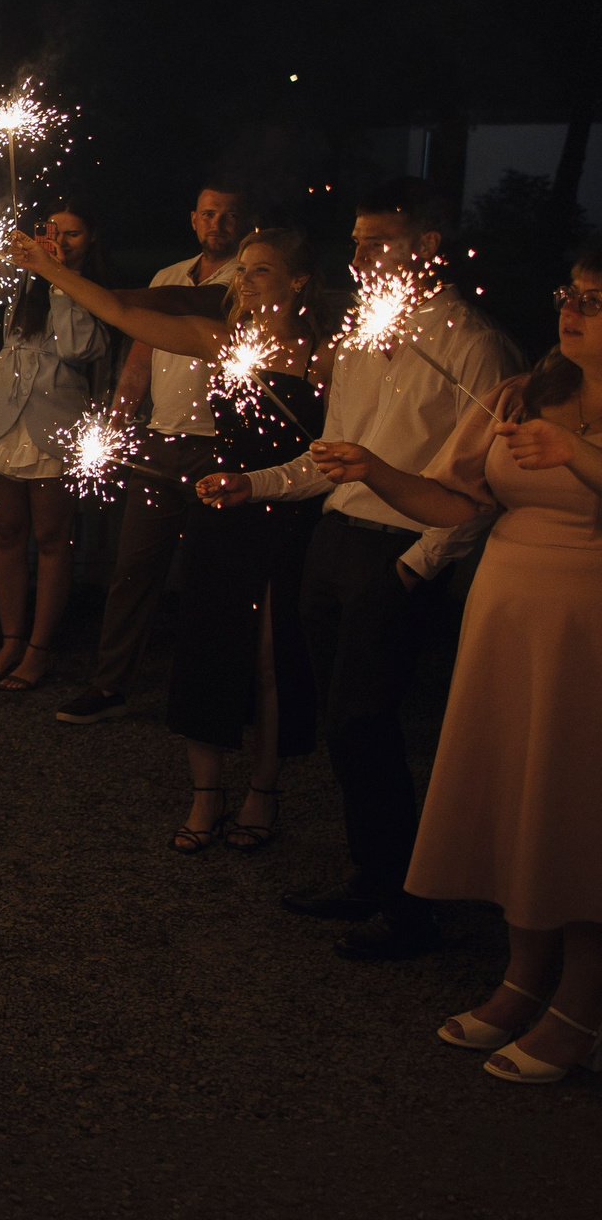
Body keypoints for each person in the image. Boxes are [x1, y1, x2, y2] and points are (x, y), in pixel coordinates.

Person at [199, 178, 517, 961]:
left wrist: (417, 565)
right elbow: (333, 456)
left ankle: (415, 908)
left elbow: (483, 491)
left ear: (429, 247)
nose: (361, 254)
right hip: (337, 544)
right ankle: (372, 878)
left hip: (398, 555)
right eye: (356, 240)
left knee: (366, 724)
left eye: (378, 239)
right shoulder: (362, 332)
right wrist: (256, 485)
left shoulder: (472, 344)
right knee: (346, 728)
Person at [304, 248, 602, 1080]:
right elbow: (455, 501)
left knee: (575, 803)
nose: (573, 310)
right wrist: (378, 472)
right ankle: (520, 981)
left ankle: (581, 1006)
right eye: (568, 293)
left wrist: (575, 453)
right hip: (508, 613)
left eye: (596, 299)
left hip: (590, 628)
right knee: (518, 792)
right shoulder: (524, 394)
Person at [10, 228, 326, 854]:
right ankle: (206, 795)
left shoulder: (329, 355)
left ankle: (264, 792)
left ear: (298, 283)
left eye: (260, 271)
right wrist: (51, 269)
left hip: (286, 514)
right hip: (222, 509)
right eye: (241, 271)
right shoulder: (223, 340)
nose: (243, 282)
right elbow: (127, 314)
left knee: (268, 659)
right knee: (205, 648)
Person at [55, 184, 250, 723]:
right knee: (134, 567)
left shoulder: (250, 283)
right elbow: (140, 356)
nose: (218, 223)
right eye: (209, 213)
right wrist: (118, 419)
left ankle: (209, 690)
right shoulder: (168, 276)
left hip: (222, 446)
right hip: (162, 441)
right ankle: (111, 683)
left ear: (246, 223)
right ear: (193, 219)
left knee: (214, 577)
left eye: (230, 216)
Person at [0, 203, 108, 688]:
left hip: (54, 423)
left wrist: (58, 275)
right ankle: (11, 640)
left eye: (73, 234)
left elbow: (80, 348)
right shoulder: (23, 283)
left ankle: (40, 649)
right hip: (0, 418)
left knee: (52, 539)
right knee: (5, 533)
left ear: (91, 240)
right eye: (52, 231)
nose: (60, 239)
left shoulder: (91, 289)